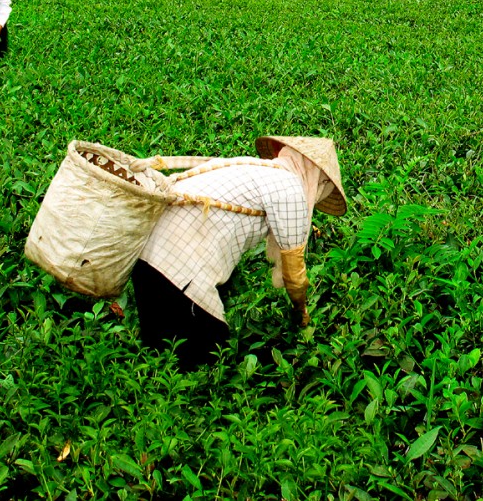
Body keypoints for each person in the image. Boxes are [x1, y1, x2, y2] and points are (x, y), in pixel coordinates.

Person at [130, 136, 348, 369]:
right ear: (318, 179)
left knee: (158, 359)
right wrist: (301, 314)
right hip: (179, 271)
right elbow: (294, 274)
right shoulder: (289, 187)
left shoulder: (251, 168)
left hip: (144, 262)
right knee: (211, 361)